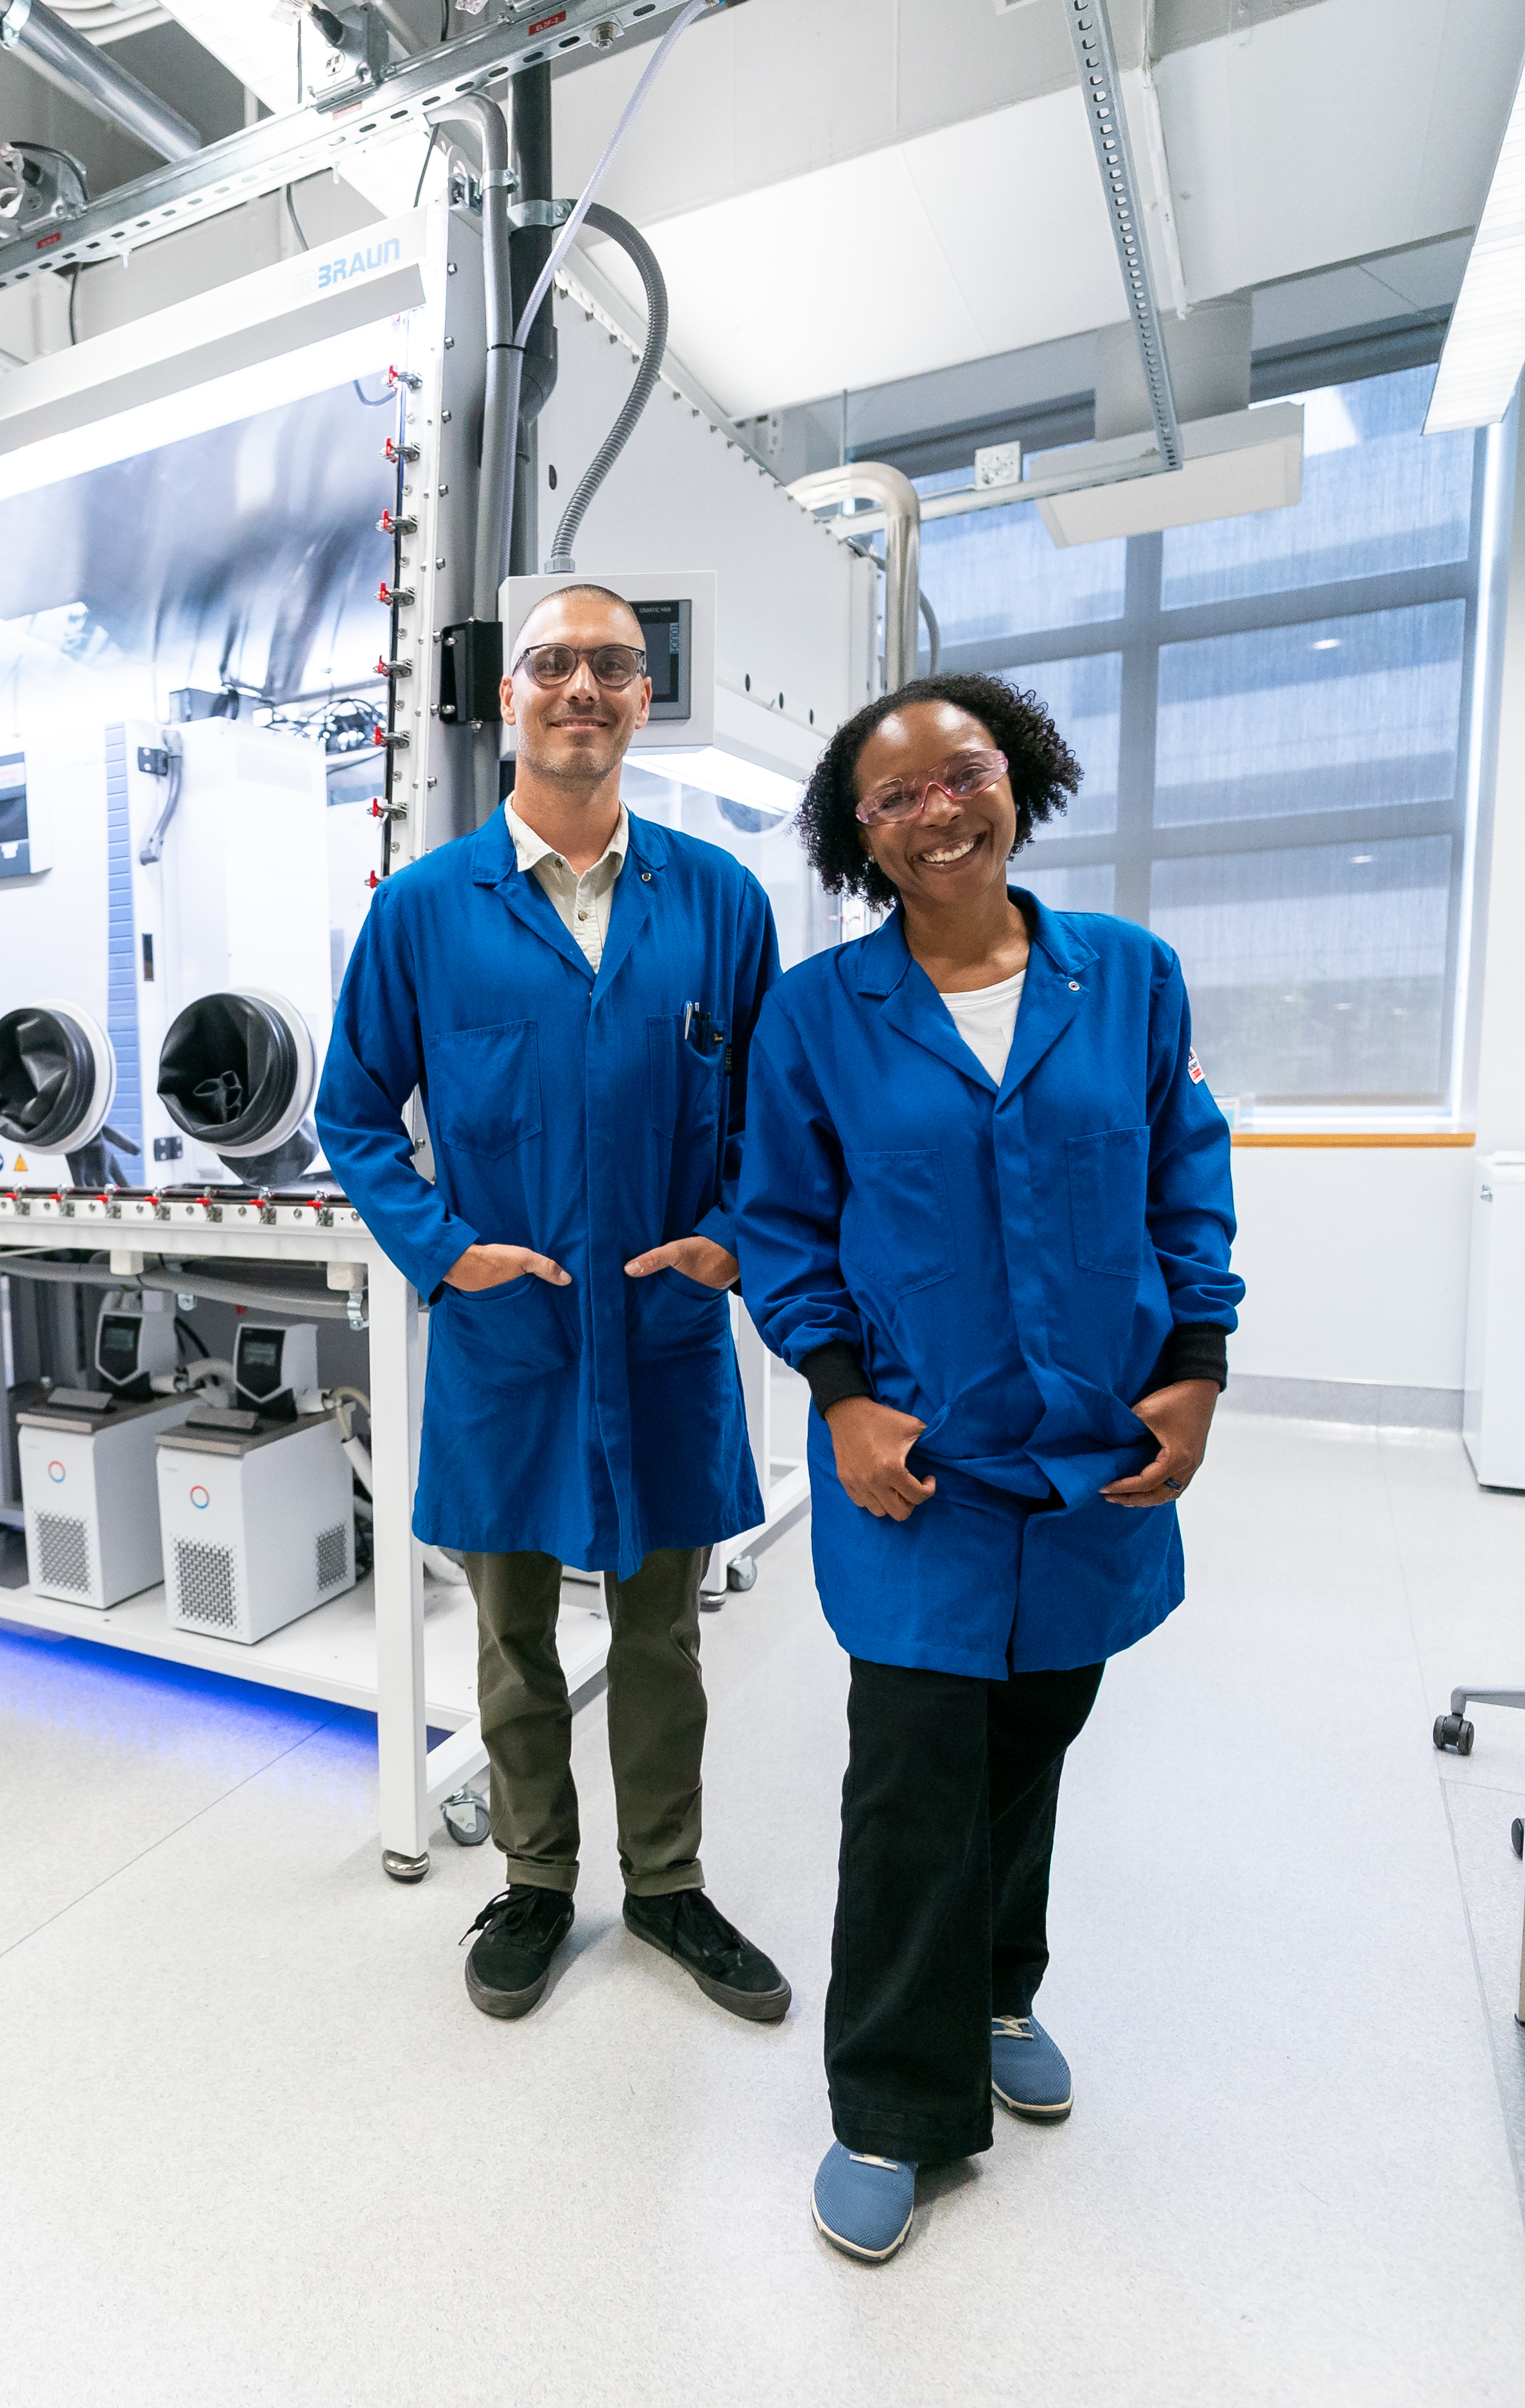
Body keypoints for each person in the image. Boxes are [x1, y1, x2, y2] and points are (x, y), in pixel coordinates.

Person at [728, 672, 1240, 2264]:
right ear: (859, 840)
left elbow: (1184, 1184)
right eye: (897, 799)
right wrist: (839, 1399)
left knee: (1031, 1748)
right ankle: (892, 2100)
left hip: (1094, 1464)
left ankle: (1002, 1988)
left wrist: (1198, 1367)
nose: (940, 811)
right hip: (921, 1468)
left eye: (965, 775)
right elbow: (782, 1225)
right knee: (911, 1787)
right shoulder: (821, 1015)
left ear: (1020, 779)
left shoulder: (1133, 980)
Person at [316, 582, 790, 2025]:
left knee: (664, 1628)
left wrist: (726, 1239)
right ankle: (533, 1879)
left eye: (612, 666)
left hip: (659, 1338)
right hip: (508, 1344)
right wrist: (441, 1247)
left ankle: (666, 1882)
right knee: (512, 1632)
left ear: (646, 697)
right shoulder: (423, 909)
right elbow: (351, 1114)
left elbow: (776, 1116)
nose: (581, 687)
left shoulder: (718, 899)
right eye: (552, 666)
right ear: (507, 696)